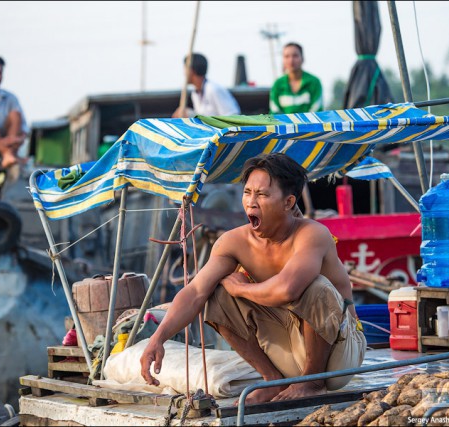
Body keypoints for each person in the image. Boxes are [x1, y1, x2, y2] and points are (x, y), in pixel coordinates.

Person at [140, 152, 366, 403]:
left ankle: (311, 382)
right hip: (289, 350)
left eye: (262, 194)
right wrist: (157, 339)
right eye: (247, 193)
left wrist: (242, 290)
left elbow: (288, 290)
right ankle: (273, 381)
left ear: (288, 202)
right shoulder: (234, 241)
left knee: (316, 287)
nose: (251, 202)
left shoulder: (313, 234)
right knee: (217, 294)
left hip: (339, 357)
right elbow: (195, 292)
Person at [172, 53, 241, 118]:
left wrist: (190, 114)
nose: (184, 73)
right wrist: (188, 113)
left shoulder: (213, 89)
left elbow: (233, 116)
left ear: (191, 71)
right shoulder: (195, 93)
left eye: (185, 69)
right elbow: (203, 118)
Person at [269, 42, 323, 114]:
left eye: (295, 56)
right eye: (287, 56)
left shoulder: (314, 82)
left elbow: (317, 110)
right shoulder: (277, 84)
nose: (291, 60)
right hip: (284, 125)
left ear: (302, 58)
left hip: (309, 125)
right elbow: (274, 113)